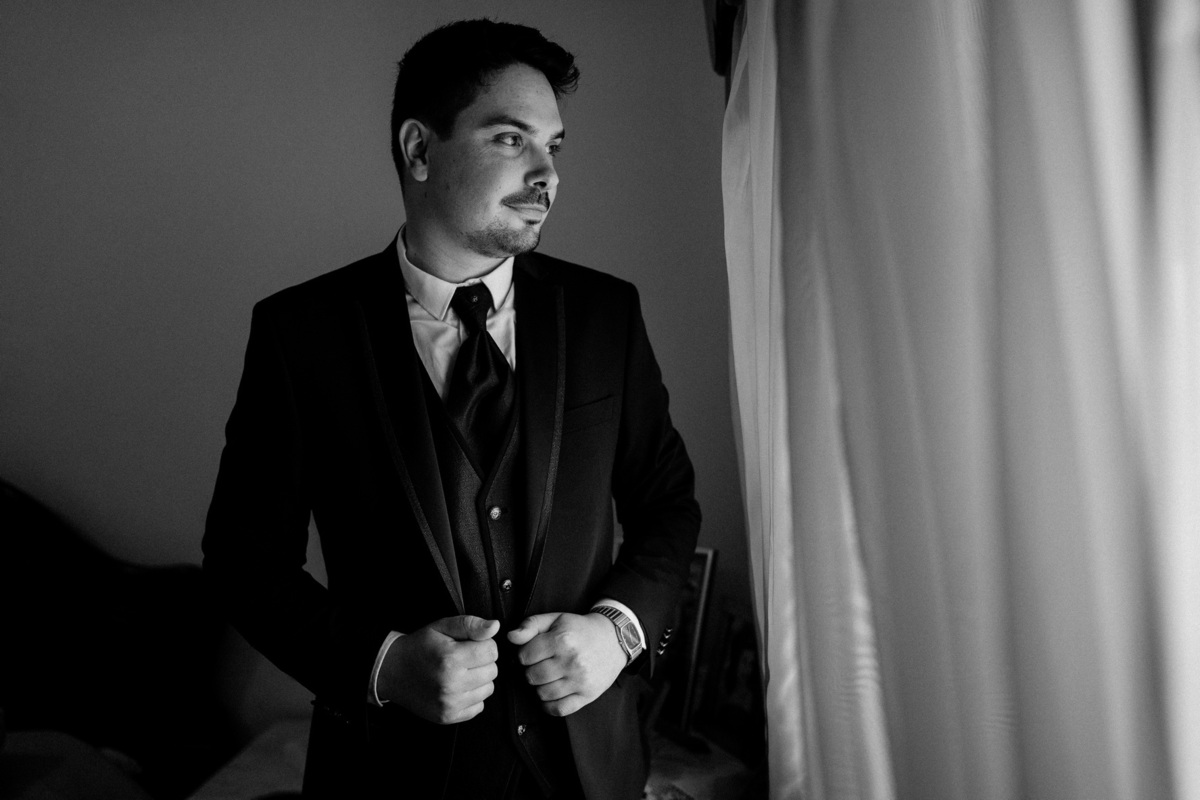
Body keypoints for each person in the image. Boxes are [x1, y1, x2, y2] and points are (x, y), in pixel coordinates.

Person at [202, 18, 700, 800]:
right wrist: (382, 664)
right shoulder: (302, 335)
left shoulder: (605, 317)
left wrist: (617, 631)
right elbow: (244, 559)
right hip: (391, 775)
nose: (547, 175)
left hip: (589, 770)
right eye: (510, 139)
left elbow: (667, 503)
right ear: (419, 149)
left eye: (553, 146)